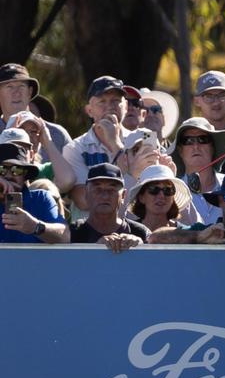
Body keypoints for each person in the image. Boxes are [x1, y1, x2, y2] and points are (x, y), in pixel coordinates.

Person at [63, 76, 129, 213]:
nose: (110, 107)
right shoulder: (75, 149)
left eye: (116, 101)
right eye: (102, 102)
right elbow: (83, 201)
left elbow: (144, 194)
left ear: (126, 107)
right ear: (89, 110)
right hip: (92, 231)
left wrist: (114, 142)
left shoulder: (142, 140)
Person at [69, 163, 150, 252]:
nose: (105, 196)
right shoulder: (73, 233)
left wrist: (142, 247)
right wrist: (95, 247)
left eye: (111, 190)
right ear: (86, 194)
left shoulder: (140, 232)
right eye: (97, 189)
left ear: (123, 196)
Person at [167, 117, 225, 225]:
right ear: (180, 150)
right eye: (188, 141)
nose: (196, 146)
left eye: (203, 139)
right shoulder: (170, 192)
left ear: (213, 147)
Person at [0, 63, 72, 159]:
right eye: (9, 86)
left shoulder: (57, 134)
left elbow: (72, 173)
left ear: (29, 92)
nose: (16, 92)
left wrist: (49, 143)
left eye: (21, 86)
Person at [0, 143, 69, 243]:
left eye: (17, 170)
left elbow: (65, 236)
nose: (9, 175)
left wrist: (35, 226)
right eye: (2, 169)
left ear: (25, 174)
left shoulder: (41, 198)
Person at [3, 111, 76, 193]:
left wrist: (48, 141)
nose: (28, 136)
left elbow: (67, 181)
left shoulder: (44, 170)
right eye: (21, 130)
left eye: (33, 131)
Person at [126, 164, 194, 231]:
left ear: (173, 198)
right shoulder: (128, 231)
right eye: (154, 189)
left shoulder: (185, 234)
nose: (161, 196)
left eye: (168, 190)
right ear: (141, 197)